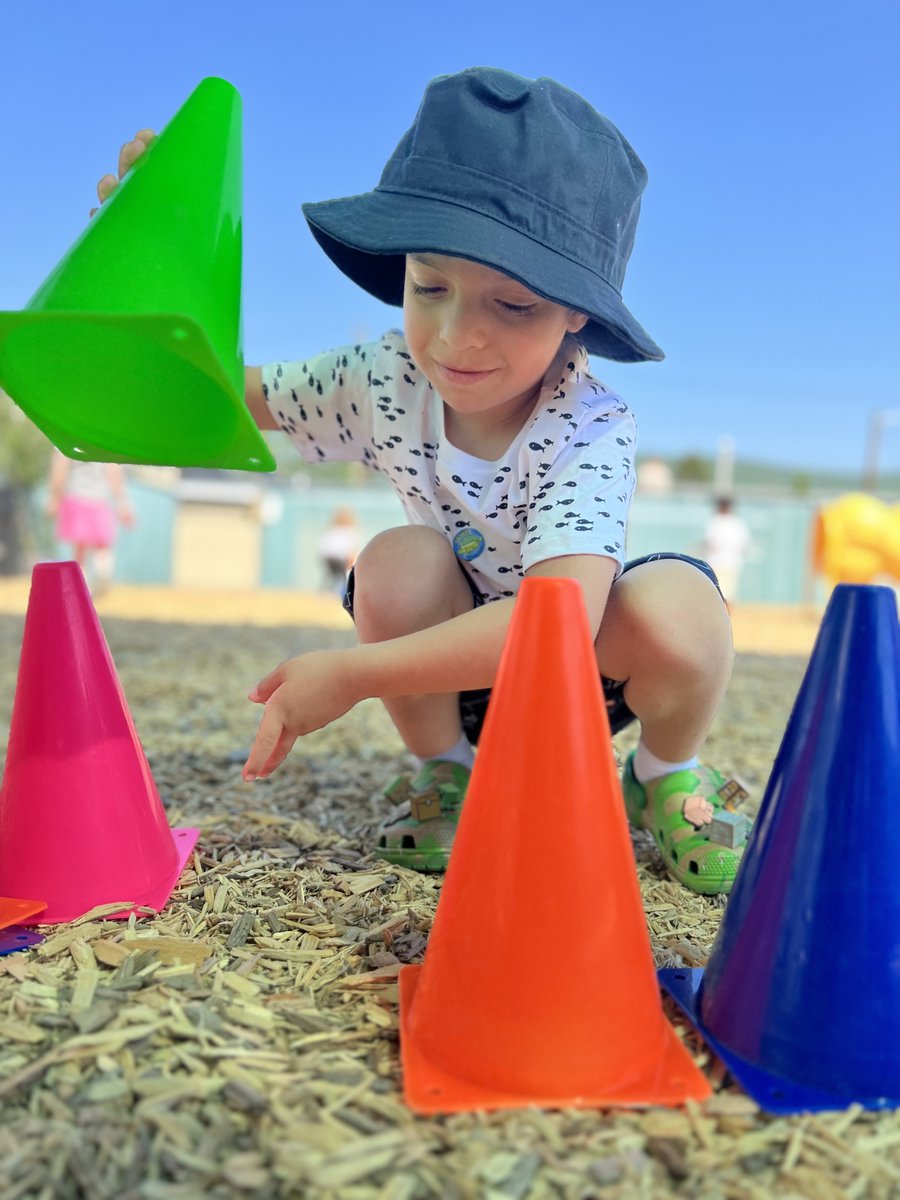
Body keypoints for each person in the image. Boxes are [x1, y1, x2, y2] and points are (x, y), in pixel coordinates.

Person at [101, 69, 748, 895]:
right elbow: (214, 396)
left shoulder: (589, 422)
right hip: (449, 678)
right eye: (430, 286)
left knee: (681, 608)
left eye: (512, 305)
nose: (454, 336)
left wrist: (354, 674)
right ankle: (447, 769)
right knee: (398, 561)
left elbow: (557, 622)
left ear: (576, 313)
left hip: (580, 676)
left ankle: (662, 772)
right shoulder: (384, 376)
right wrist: (149, 248)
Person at [45, 451, 134, 595]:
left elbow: (60, 468)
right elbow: (114, 471)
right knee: (102, 548)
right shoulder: (103, 444)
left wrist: (54, 497)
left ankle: (83, 589)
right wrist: (122, 502)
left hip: (76, 498)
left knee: (80, 551)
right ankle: (99, 580)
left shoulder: (69, 443)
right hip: (99, 500)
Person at [702, 497, 752, 608]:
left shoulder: (715, 521)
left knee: (717, 590)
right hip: (731, 561)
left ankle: (721, 612)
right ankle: (727, 613)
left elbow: (710, 543)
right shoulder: (737, 523)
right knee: (728, 592)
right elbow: (743, 545)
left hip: (718, 562)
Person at [317, 507, 361, 597]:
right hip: (339, 557)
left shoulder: (333, 529)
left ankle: (323, 592)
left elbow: (323, 546)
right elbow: (351, 551)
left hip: (327, 556)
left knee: (330, 575)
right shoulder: (350, 531)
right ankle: (342, 593)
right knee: (342, 576)